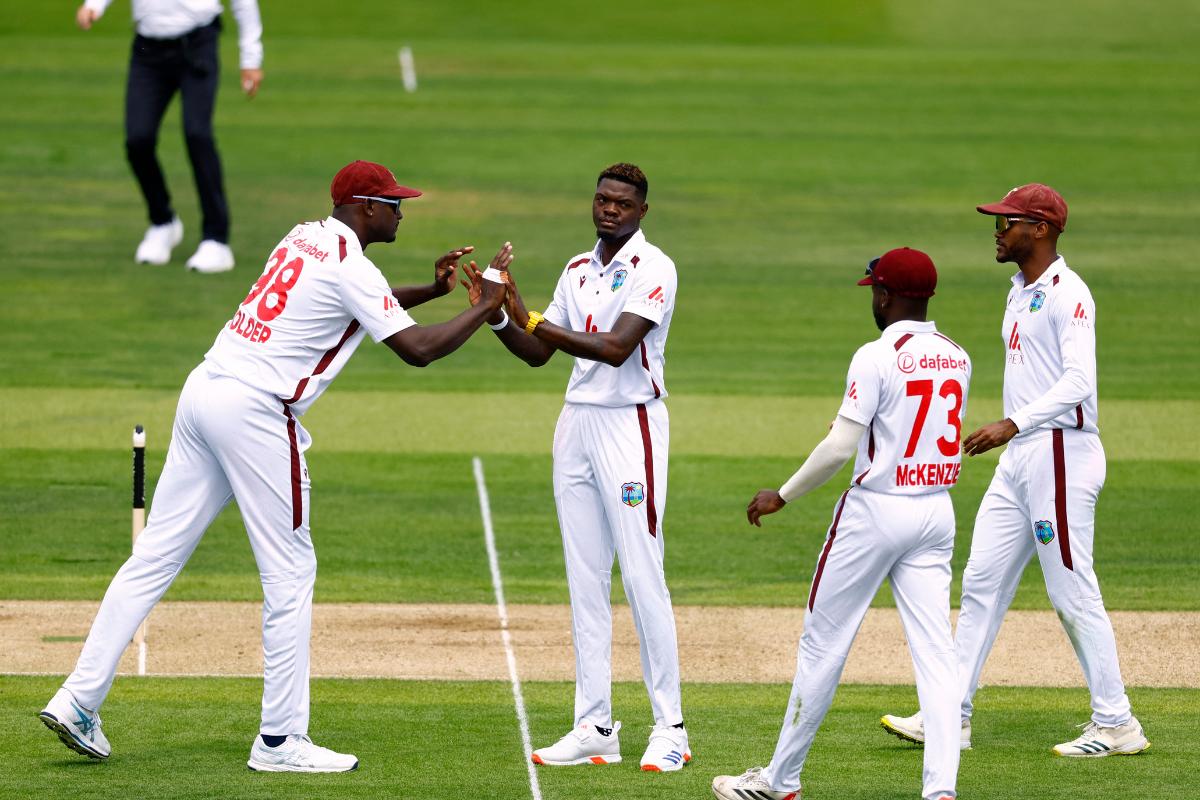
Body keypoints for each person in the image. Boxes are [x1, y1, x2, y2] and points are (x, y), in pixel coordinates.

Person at [38, 160, 513, 771]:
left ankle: (78, 699)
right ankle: (281, 740)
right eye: (394, 203)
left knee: (153, 555)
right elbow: (417, 350)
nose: (401, 211)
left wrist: (433, 293)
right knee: (290, 574)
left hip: (205, 390)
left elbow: (360, 303)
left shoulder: (303, 236)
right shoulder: (349, 263)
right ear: (365, 208)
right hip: (255, 413)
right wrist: (486, 307)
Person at [880, 184, 1150, 757]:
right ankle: (949, 715)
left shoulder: (1067, 294)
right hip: (1023, 457)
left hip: (1060, 451)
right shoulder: (1019, 291)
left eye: (1008, 222)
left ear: (1041, 229)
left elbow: (1079, 382)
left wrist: (1012, 423)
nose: (998, 231)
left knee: (1071, 589)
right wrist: (1014, 432)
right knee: (980, 584)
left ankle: (1117, 722)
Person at [712, 248, 969, 800]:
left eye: (873, 290)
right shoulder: (957, 355)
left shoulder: (875, 355)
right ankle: (941, 790)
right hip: (936, 511)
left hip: (876, 511)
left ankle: (780, 782)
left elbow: (838, 448)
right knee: (938, 655)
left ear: (886, 295)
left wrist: (781, 494)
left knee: (822, 645)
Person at [462, 163, 690, 772]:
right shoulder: (576, 270)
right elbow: (540, 354)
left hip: (630, 425)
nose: (609, 209)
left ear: (641, 212)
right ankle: (595, 725)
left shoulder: (654, 268)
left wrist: (533, 316)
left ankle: (671, 728)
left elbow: (616, 349)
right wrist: (500, 314)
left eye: (622, 203)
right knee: (585, 578)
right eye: (602, 199)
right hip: (577, 427)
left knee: (643, 576)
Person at [75, 0, 265, 273]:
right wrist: (94, 6)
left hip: (197, 43)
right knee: (138, 140)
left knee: (197, 134)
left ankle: (216, 239)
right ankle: (163, 222)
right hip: (147, 50)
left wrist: (251, 58)